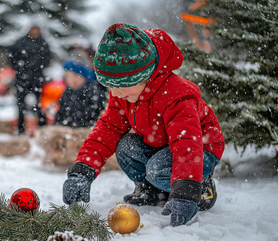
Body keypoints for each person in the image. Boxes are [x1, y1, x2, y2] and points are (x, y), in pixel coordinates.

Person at [62, 23, 225, 227]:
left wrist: (186, 190)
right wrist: (83, 170)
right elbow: (106, 131)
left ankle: (201, 186)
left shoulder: (176, 94)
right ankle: (151, 191)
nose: (115, 93)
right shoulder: (123, 94)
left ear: (143, 76)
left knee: (158, 170)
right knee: (126, 148)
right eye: (110, 86)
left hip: (200, 149)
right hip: (160, 145)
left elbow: (186, 143)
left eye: (120, 86)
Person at [8, 25, 52, 134]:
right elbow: (11, 55)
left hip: (37, 79)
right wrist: (19, 67)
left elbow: (48, 58)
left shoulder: (43, 43)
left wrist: (39, 67)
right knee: (21, 105)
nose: (35, 32)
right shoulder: (20, 42)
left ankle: (43, 129)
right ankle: (20, 129)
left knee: (40, 105)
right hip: (22, 79)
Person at [54, 51, 107, 128]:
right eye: (68, 76)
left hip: (89, 131)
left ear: (85, 75)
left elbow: (98, 114)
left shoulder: (93, 91)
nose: (72, 80)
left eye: (75, 75)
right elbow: (60, 114)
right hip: (69, 132)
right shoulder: (68, 92)